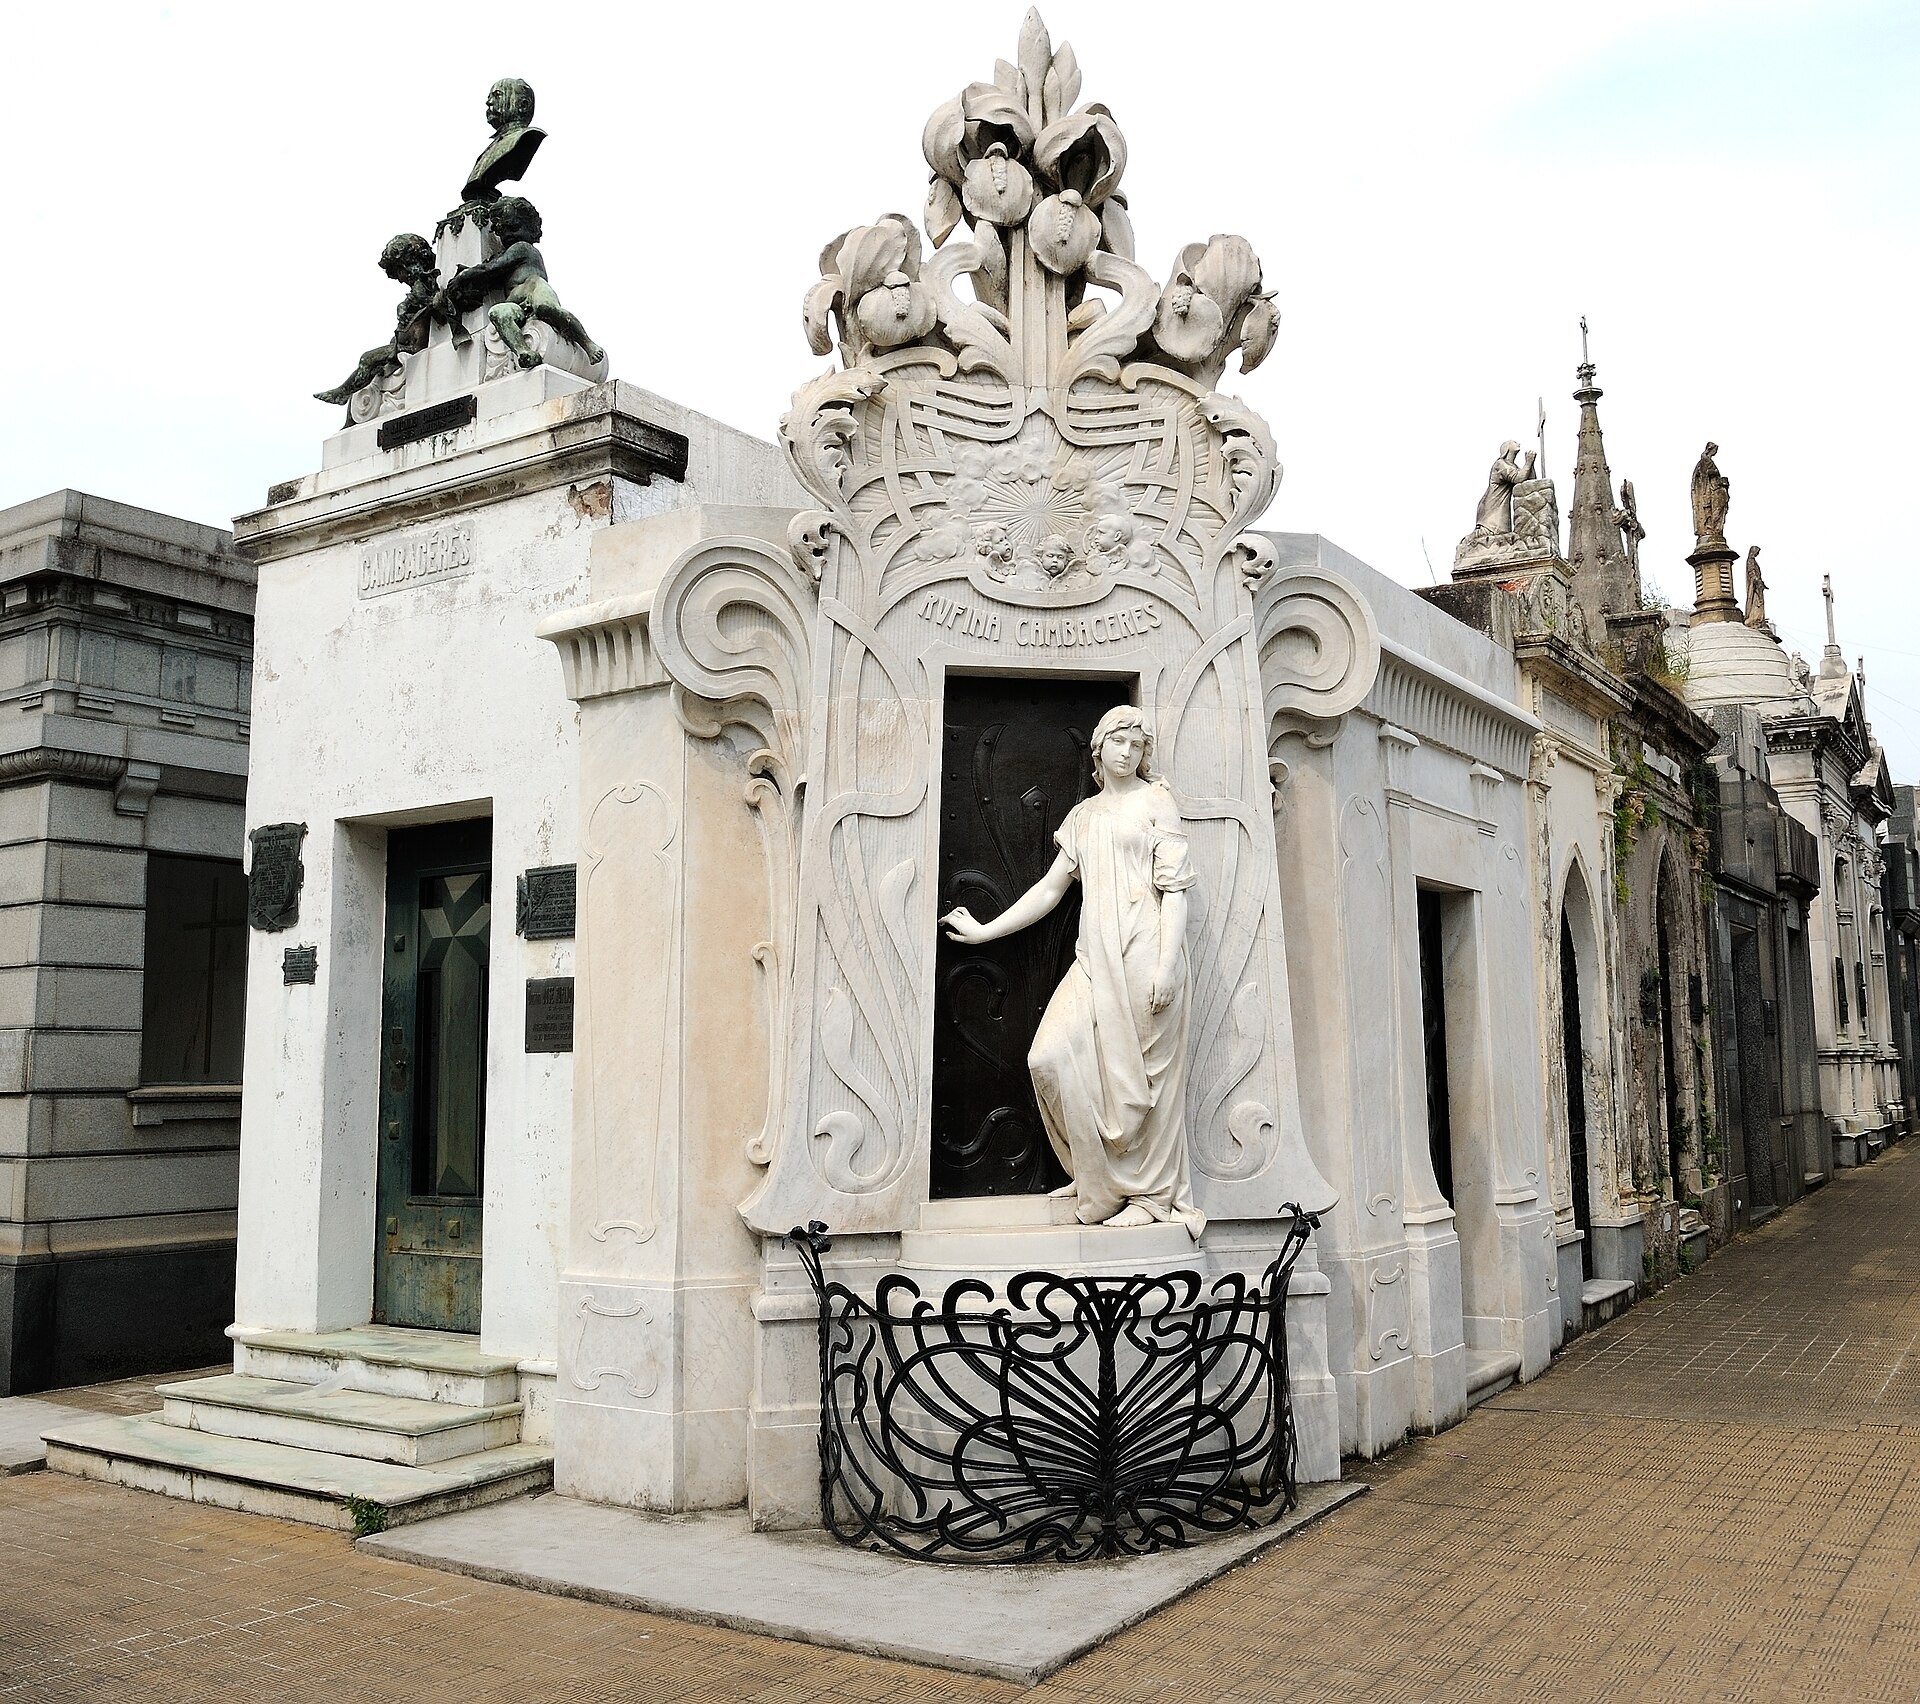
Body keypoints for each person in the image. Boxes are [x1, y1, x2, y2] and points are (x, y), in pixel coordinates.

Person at [942, 705, 1204, 1235]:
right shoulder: (1083, 817)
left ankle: (1150, 1197)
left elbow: (1175, 891)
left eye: (1136, 745)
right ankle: (1095, 1176)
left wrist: (1167, 965)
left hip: (1146, 952)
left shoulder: (1157, 801)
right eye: (1118, 742)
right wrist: (986, 931)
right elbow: (1049, 890)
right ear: (1099, 750)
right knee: (1049, 1057)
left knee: (1145, 1086)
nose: (1127, 753)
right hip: (1095, 957)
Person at [445, 197, 605, 369]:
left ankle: (588, 344)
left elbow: (490, 269)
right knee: (498, 313)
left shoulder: (522, 247)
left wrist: (463, 276)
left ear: (529, 228)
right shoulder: (507, 254)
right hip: (515, 301)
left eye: (513, 228)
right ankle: (523, 352)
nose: (508, 234)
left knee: (547, 308)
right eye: (502, 230)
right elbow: (489, 275)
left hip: (534, 288)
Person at [315, 234, 446, 407]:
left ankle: (342, 394)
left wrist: (407, 307)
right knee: (372, 364)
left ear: (407, 264)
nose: (400, 279)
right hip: (406, 343)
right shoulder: (427, 282)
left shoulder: (424, 285)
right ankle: (344, 395)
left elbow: (431, 309)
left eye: (399, 271)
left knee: (367, 359)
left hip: (411, 346)